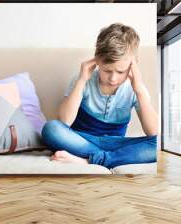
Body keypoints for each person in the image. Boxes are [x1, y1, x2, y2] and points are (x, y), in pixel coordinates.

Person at [41, 23, 159, 169]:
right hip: (81, 139)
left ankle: (90, 159)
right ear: (97, 61)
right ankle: (111, 158)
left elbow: (153, 132)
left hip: (115, 143)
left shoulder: (136, 88)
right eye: (107, 70)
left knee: (158, 144)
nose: (113, 79)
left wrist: (139, 90)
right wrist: (82, 81)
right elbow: (64, 122)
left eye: (120, 71)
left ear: (132, 65)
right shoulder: (83, 80)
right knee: (51, 129)